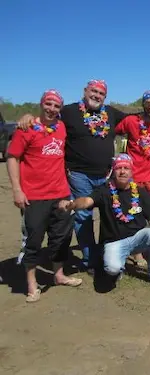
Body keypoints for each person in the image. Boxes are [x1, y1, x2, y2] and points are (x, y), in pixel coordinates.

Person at [17, 80, 150, 273]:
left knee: (111, 213)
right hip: (79, 175)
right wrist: (30, 116)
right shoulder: (70, 112)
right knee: (83, 217)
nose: (96, 95)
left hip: (107, 175)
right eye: (93, 91)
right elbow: (49, 117)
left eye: (101, 93)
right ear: (85, 91)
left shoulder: (111, 113)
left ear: (105, 97)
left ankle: (113, 251)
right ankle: (91, 260)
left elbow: (136, 118)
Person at [7, 89, 82, 302]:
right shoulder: (26, 128)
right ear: (41, 104)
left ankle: (58, 275)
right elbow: (12, 157)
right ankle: (32, 284)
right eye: (48, 104)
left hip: (61, 194)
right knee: (33, 240)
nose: (52, 109)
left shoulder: (61, 128)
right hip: (34, 196)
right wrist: (17, 189)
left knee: (61, 238)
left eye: (56, 106)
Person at [58, 154, 150, 290]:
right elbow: (87, 201)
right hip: (114, 242)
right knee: (112, 269)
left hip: (137, 238)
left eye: (126, 168)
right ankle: (117, 267)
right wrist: (73, 204)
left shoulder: (140, 192)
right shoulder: (104, 191)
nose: (122, 171)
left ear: (131, 171)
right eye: (119, 168)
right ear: (113, 171)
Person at [115, 90, 150, 267]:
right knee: (135, 216)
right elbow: (113, 130)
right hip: (136, 178)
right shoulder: (131, 121)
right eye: (147, 103)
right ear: (143, 104)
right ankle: (137, 253)